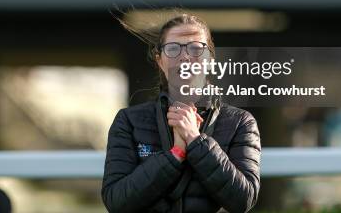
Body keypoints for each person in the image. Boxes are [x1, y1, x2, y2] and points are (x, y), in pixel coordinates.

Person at [101, 13, 261, 213]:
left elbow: (243, 200)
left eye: (196, 48)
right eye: (174, 48)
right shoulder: (129, 121)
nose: (185, 56)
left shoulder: (240, 122)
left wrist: (196, 141)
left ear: (209, 59)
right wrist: (175, 154)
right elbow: (116, 201)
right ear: (160, 61)